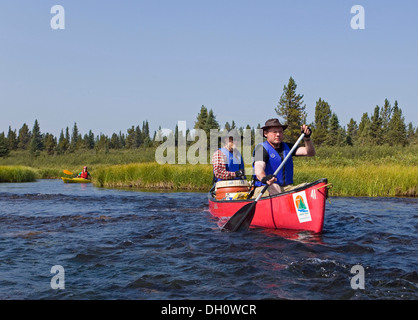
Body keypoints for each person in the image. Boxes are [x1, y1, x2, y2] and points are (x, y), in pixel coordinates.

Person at [252, 118, 315, 197]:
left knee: (313, 187)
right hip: (265, 188)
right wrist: (264, 178)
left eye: (280, 132)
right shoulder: (261, 149)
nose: (278, 134)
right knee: (275, 187)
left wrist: (307, 138)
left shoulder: (288, 147)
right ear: (265, 133)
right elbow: (259, 167)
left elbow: (309, 152)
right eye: (274, 132)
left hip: (286, 188)